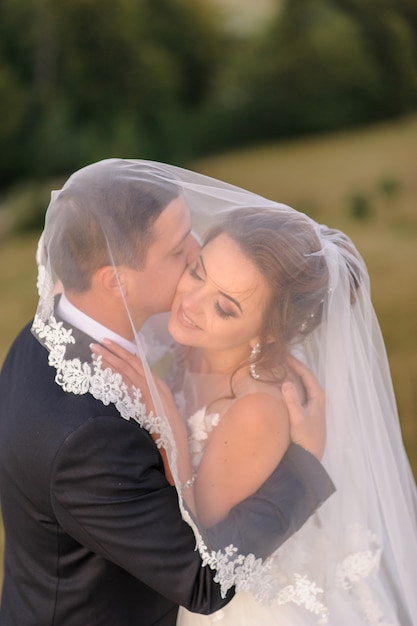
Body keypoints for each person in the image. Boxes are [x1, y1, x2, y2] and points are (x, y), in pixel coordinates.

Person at [0, 159, 334, 626]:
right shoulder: (90, 437)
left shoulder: (50, 325)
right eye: (182, 252)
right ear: (115, 280)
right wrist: (304, 466)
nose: (198, 249)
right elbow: (204, 581)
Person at [92, 201, 417, 625]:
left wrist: (168, 423)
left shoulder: (256, 408)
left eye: (225, 307)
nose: (191, 302)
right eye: (197, 271)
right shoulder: (194, 341)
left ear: (269, 333)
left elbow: (204, 543)